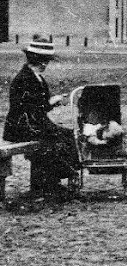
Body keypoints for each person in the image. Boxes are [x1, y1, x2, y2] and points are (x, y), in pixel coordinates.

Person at [3, 37, 81, 196]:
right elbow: (30, 109)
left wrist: (52, 102)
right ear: (40, 61)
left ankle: (50, 182)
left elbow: (38, 107)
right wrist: (50, 104)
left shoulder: (35, 77)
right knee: (57, 138)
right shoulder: (25, 79)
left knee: (64, 135)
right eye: (45, 61)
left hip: (31, 123)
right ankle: (49, 184)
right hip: (21, 126)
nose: (46, 65)